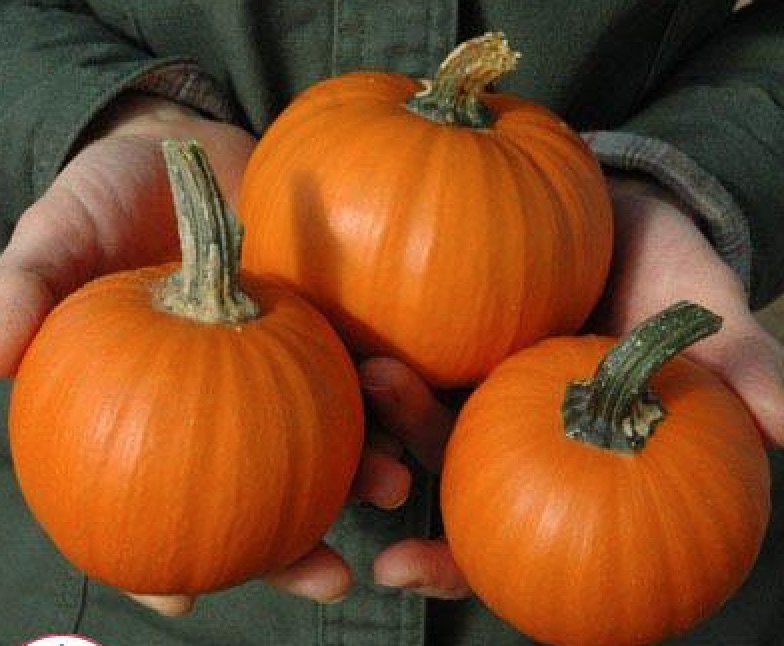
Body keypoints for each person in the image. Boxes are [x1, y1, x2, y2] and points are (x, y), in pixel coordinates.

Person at [1, 1, 783, 644]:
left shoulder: (545, 183)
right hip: (90, 604)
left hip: (638, 567)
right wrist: (112, 115)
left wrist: (681, 180)